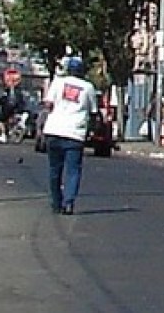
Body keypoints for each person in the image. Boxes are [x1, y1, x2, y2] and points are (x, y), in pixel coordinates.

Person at [42, 57, 98, 215]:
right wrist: (91, 130)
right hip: (75, 133)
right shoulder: (88, 87)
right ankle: (69, 202)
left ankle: (56, 202)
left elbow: (48, 104)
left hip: (54, 130)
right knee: (73, 170)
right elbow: (93, 112)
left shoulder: (58, 82)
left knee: (54, 169)